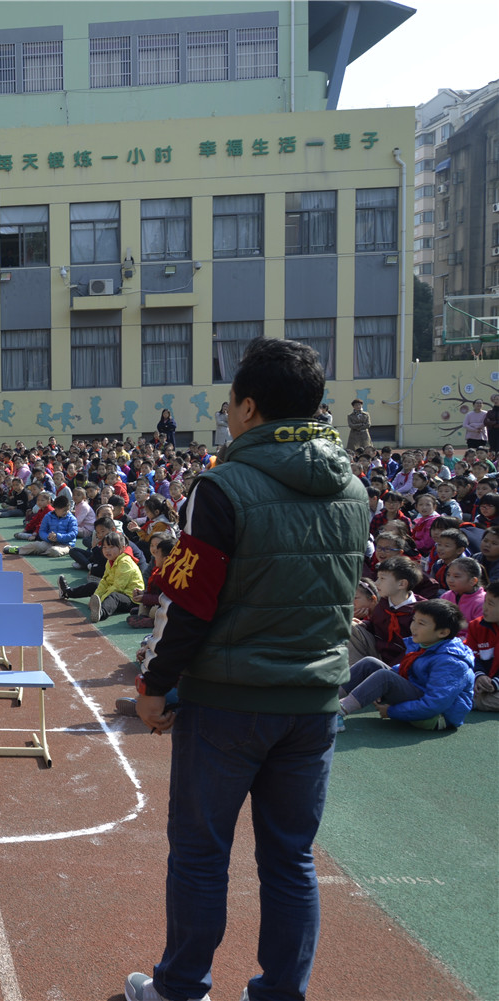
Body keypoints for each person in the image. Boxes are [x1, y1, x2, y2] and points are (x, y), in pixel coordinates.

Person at [125, 337, 367, 1001]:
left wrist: (152, 685)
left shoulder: (222, 485)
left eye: (230, 401)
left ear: (250, 407)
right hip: (315, 700)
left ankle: (180, 988)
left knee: (202, 853)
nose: (226, 412)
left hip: (230, 701)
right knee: (289, 859)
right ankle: (281, 993)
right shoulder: (353, 487)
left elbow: (186, 601)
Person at [338, 599, 474, 733]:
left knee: (385, 677)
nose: (413, 626)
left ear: (443, 632)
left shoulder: (451, 661)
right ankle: (327, 700)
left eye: (421, 623)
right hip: (419, 701)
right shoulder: (427, 644)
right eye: (414, 620)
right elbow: (407, 671)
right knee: (370, 663)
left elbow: (435, 704)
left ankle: (338, 711)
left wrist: (391, 711)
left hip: (437, 717)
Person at [58, 531, 142, 622]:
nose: (107, 550)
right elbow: (104, 581)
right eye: (104, 547)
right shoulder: (110, 560)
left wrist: (100, 601)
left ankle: (100, 613)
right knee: (94, 585)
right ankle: (66, 592)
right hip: (116, 590)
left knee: (114, 596)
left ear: (122, 548)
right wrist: (96, 596)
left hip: (132, 599)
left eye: (111, 547)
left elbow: (118, 587)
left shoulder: (125, 562)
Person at [464, 588, 499, 711]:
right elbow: (470, 655)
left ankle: (472, 701)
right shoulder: (476, 626)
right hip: (483, 683)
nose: (484, 607)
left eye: (490, 604)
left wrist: (495, 683)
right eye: (485, 602)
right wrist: (479, 675)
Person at [13, 493, 79, 558]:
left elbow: (73, 533)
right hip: (49, 542)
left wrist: (58, 536)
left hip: (65, 544)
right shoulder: (48, 516)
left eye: (67, 510)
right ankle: (18, 549)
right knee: (35, 546)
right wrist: (48, 537)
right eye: (63, 510)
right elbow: (42, 531)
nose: (66, 512)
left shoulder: (72, 519)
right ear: (55, 509)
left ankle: (41, 552)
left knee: (54, 551)